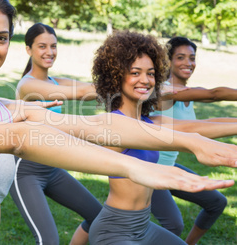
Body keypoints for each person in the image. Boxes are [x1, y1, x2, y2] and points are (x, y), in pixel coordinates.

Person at [0, 0, 237, 244]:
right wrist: (135, 167)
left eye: (1, 38)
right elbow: (21, 139)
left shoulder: (7, 109)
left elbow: (96, 124)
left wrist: (191, 140)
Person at [88, 30, 237, 244]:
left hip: (143, 227)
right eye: (135, 72)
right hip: (115, 231)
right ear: (116, 76)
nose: (145, 80)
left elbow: (202, 126)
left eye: (150, 73)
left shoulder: (151, 120)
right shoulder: (115, 123)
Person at [10, 23, 100, 245]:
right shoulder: (28, 85)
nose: (49, 52)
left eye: (53, 46)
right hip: (26, 172)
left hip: (51, 168)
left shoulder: (53, 80)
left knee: (98, 217)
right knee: (48, 240)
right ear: (28, 49)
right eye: (42, 46)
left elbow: (89, 87)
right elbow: (80, 93)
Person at [150, 36, 237, 245]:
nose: (188, 63)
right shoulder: (163, 91)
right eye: (180, 57)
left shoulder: (190, 95)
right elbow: (214, 94)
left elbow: (208, 123)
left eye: (192, 58)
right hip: (149, 168)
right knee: (173, 225)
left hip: (169, 167)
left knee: (216, 202)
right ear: (168, 61)